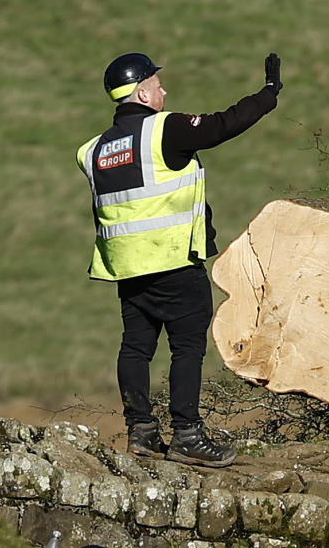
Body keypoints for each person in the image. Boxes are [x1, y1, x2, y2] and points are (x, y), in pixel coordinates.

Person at [75, 51, 283, 467]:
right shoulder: (164, 130)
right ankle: (187, 434)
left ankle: (142, 433)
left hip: (128, 270)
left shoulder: (92, 151)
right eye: (157, 84)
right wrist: (268, 95)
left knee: (136, 348)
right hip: (174, 263)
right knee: (187, 348)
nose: (163, 90)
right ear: (142, 92)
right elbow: (223, 124)